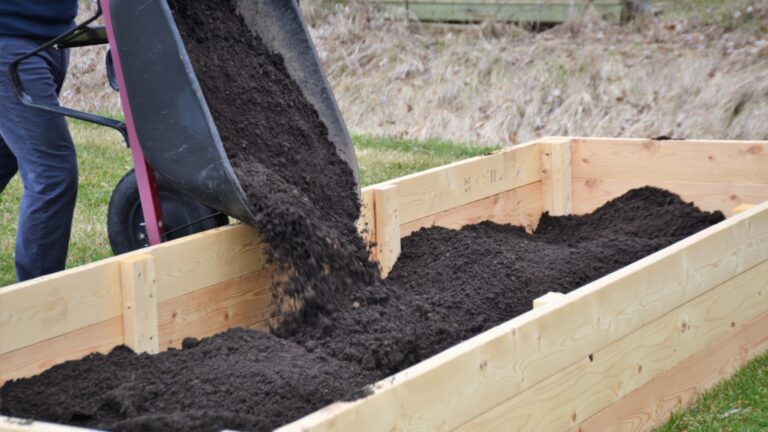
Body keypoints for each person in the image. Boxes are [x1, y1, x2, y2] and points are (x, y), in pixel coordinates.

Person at [0, 1, 80, 281]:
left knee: (5, 156)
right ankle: (39, 304)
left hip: (54, 37)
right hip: (10, 42)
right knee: (53, 172)